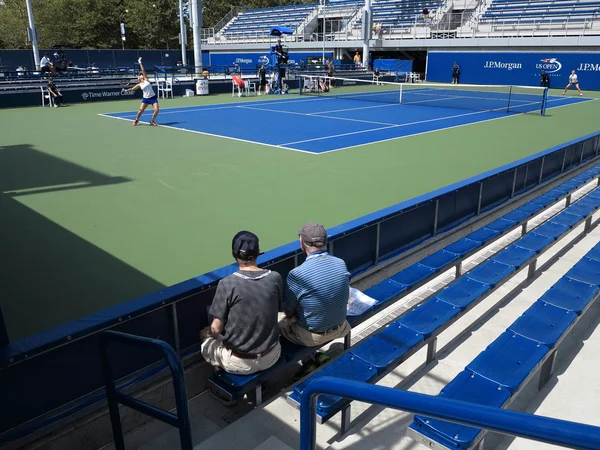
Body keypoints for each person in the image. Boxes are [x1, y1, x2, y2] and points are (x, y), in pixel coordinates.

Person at [201, 231, 282, 378]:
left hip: (239, 363)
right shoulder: (275, 278)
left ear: (234, 254)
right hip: (272, 356)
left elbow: (216, 329)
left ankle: (222, 381)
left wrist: (208, 333)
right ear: (258, 252)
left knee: (205, 336)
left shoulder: (227, 283)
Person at [279, 222, 351, 349]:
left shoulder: (297, 274)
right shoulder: (341, 263)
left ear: (302, 244)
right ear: (325, 241)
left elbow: (289, 312)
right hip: (340, 327)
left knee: (277, 322)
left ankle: (301, 363)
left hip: (312, 337)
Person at [123, 57, 159, 127]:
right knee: (140, 111)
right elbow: (132, 89)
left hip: (153, 98)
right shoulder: (139, 85)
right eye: (140, 75)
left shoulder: (146, 80)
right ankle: (136, 120)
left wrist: (140, 62)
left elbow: (143, 70)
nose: (141, 75)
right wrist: (125, 90)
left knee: (156, 110)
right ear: (139, 78)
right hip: (146, 99)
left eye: (141, 74)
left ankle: (152, 121)